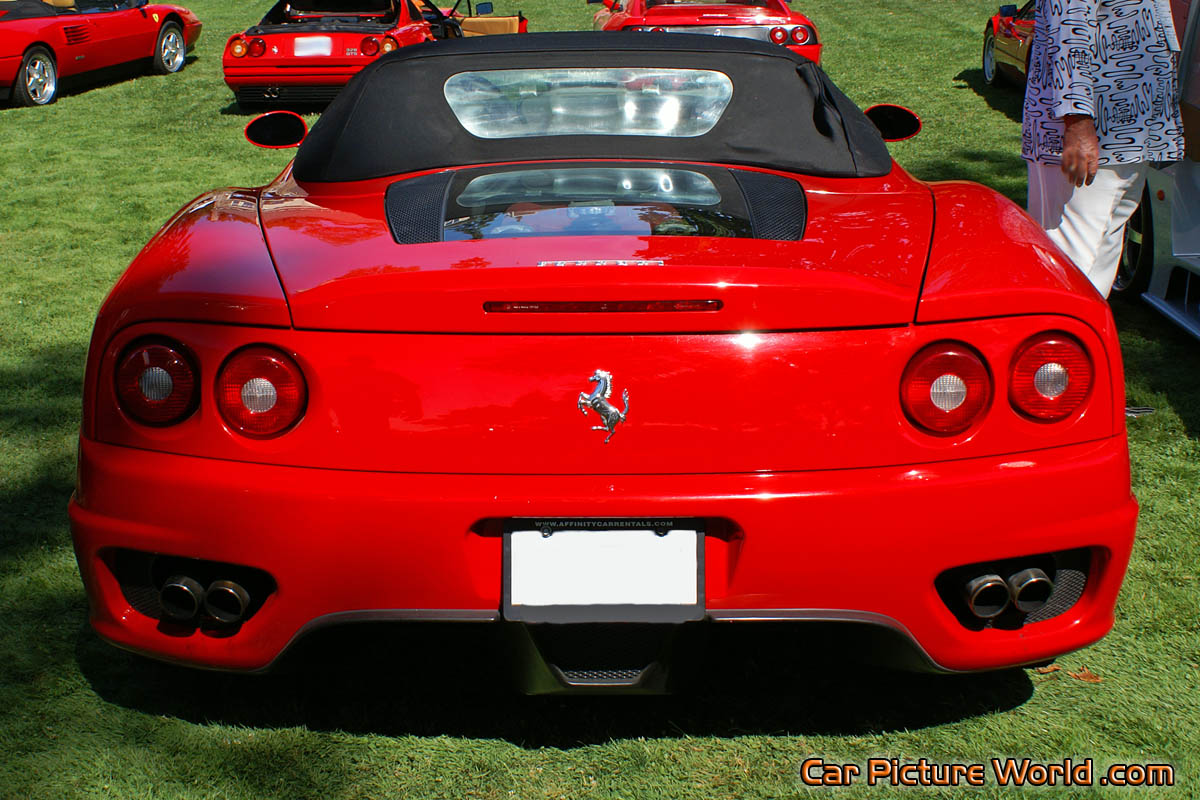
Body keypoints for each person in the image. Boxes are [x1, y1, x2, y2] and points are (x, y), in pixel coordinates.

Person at [1022, 0, 1185, 297]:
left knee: (1098, 265)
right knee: (1068, 265)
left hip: (1129, 137)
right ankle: (1056, 339)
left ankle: (1087, 339)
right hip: (1092, 135)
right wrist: (1078, 123)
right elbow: (1069, 31)